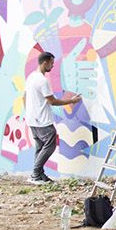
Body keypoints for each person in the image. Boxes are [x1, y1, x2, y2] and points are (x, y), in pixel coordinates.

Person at [25, 49, 81, 185]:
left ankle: (39, 175)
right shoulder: (42, 81)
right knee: (49, 146)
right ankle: (35, 174)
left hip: (32, 119)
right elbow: (52, 101)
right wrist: (71, 101)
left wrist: (29, 112)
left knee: (40, 148)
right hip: (42, 120)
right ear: (45, 63)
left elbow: (24, 96)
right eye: (51, 63)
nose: (53, 66)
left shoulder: (31, 77)